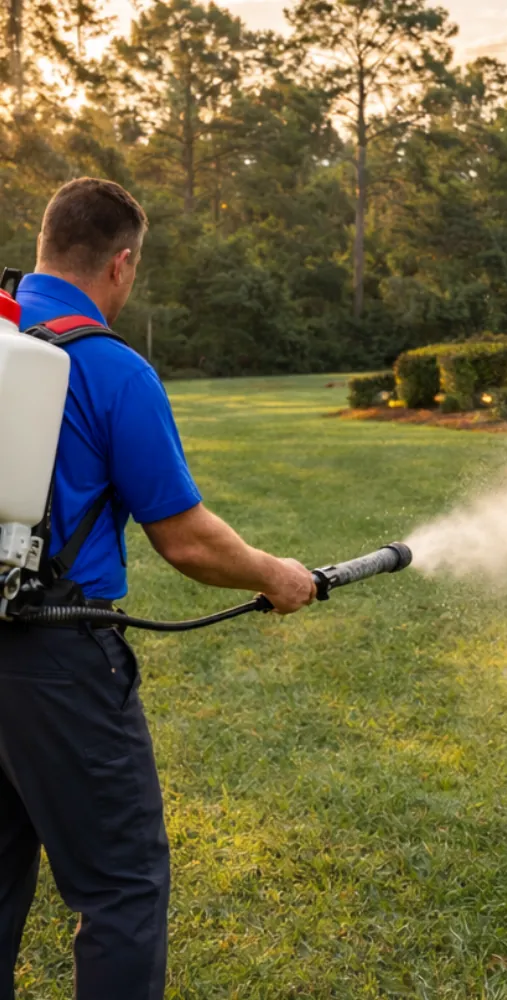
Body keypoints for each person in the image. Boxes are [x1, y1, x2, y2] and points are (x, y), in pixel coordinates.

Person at [0, 178, 317, 1000]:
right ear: (121, 263)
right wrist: (275, 575)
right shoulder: (111, 369)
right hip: (60, 665)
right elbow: (184, 539)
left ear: (43, 247)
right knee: (120, 887)